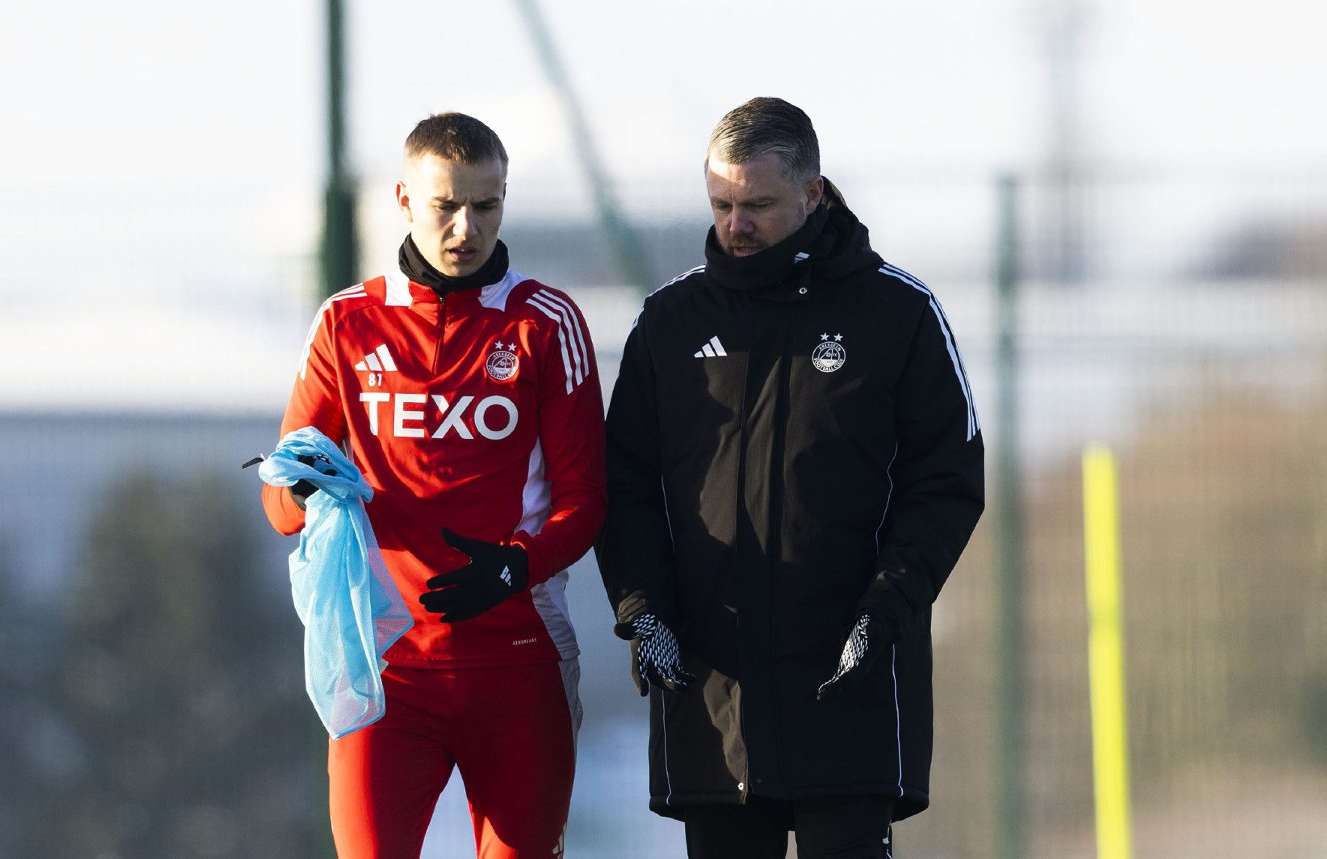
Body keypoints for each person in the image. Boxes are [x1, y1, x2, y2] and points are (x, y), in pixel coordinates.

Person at [596, 97, 985, 859]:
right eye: (721, 204)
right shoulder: (668, 323)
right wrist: (644, 612)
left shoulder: (898, 313)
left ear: (812, 194)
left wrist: (889, 607)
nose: (735, 224)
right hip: (711, 690)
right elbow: (624, 484)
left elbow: (947, 479)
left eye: (758, 205)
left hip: (851, 683)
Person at [262, 112, 606, 858]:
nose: (464, 227)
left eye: (485, 205)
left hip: (519, 659)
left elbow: (587, 498)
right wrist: (309, 492)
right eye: (445, 205)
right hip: (384, 671)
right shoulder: (347, 322)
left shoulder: (546, 323)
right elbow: (280, 499)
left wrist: (518, 563)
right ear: (403, 199)